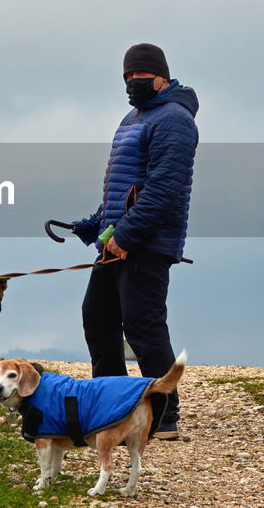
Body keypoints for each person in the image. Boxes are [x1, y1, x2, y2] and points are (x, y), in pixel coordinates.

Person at [71, 43, 198, 440]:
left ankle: (164, 415)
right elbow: (126, 185)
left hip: (146, 242)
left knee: (143, 326)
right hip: (117, 241)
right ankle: (113, 407)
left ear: (161, 76)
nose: (132, 82)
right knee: (97, 316)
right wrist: (96, 224)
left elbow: (163, 187)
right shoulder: (134, 117)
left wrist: (125, 234)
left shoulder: (175, 120)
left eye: (140, 76)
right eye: (127, 77)